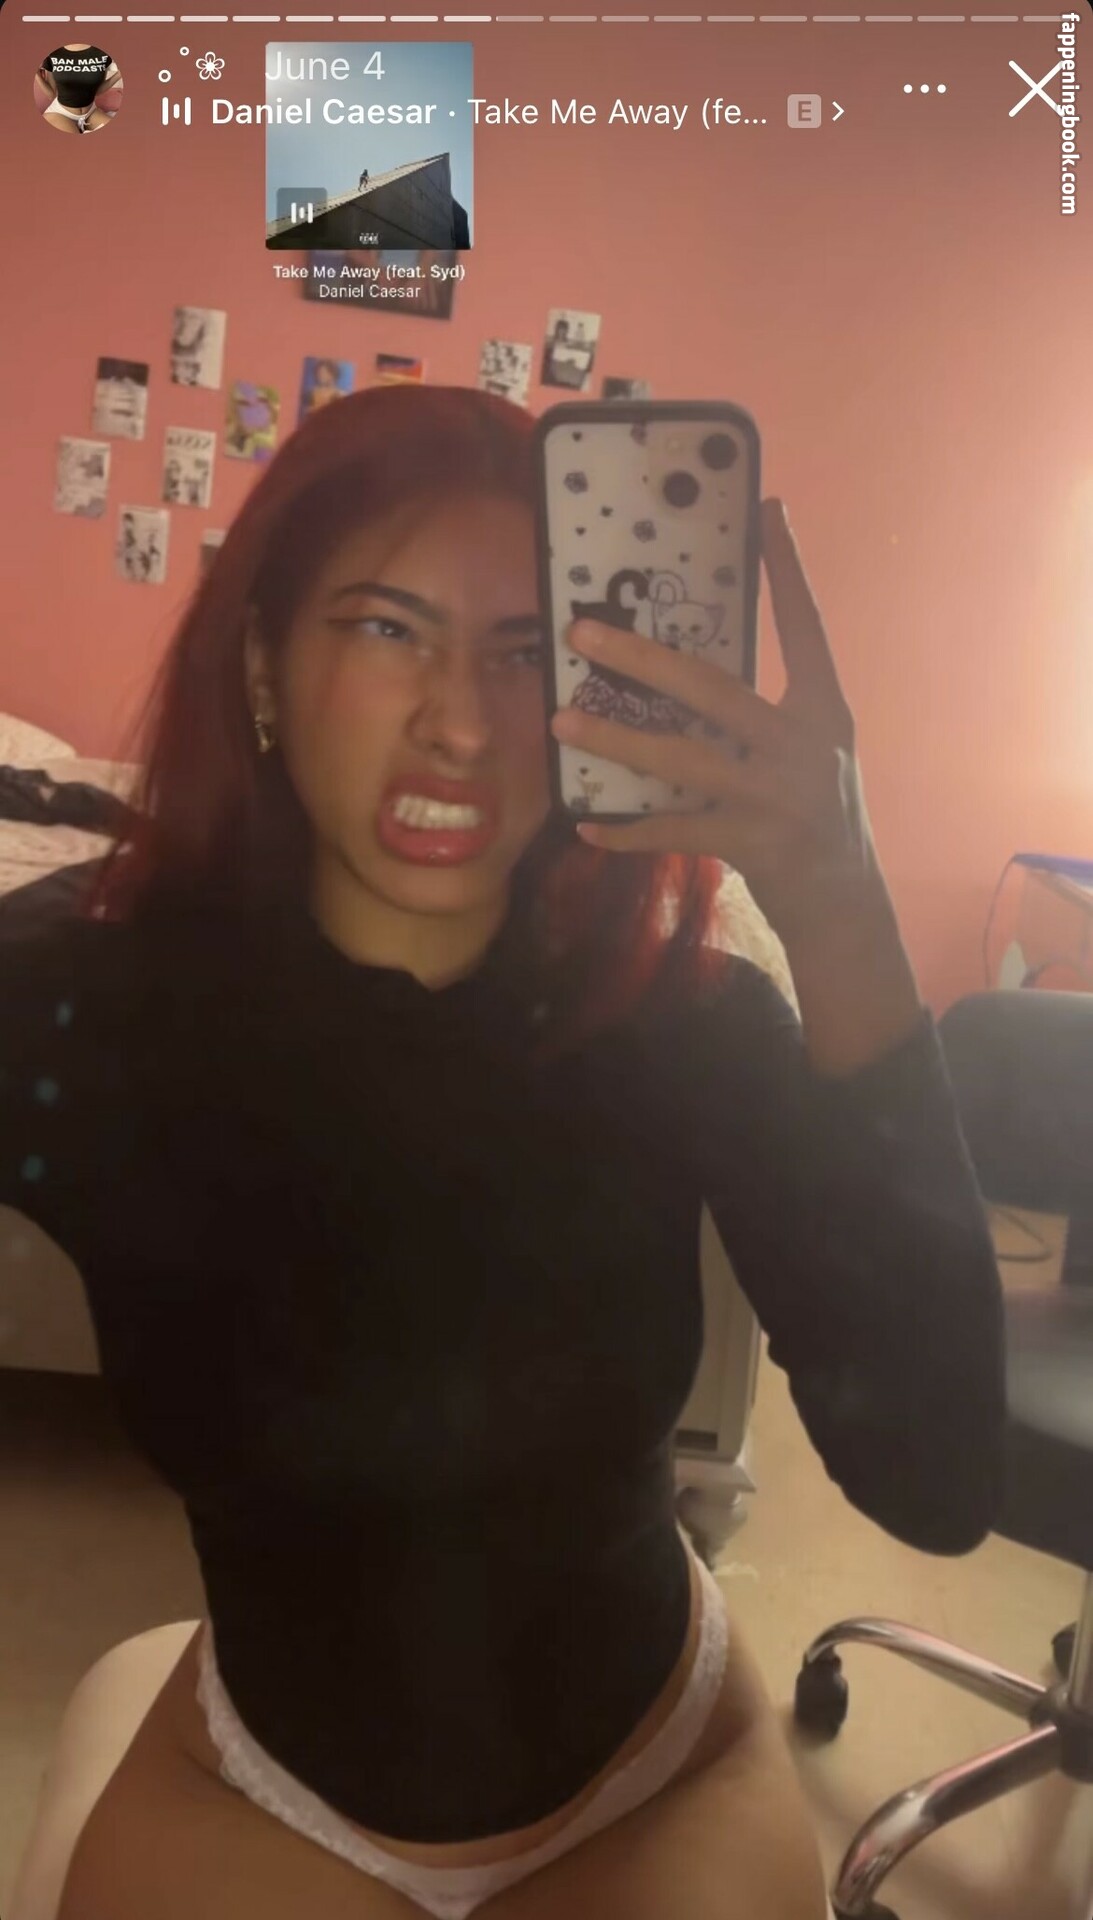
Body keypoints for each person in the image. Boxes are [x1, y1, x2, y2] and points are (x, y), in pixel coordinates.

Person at [1, 386, 1005, 1920]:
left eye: (526, 651)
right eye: (385, 628)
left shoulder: (685, 1021)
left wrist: (838, 901)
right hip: (259, 1786)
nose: (462, 724)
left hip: (654, 1779)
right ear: (261, 663)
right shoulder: (84, 1010)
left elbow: (934, 1479)